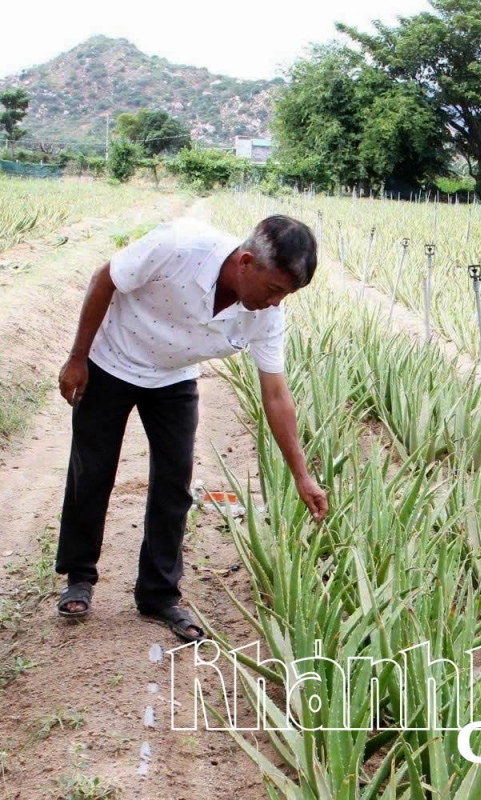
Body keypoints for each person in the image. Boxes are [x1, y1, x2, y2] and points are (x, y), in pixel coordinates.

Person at [53, 214, 328, 642]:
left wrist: (301, 475)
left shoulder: (266, 316)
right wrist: (77, 357)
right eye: (274, 290)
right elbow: (104, 278)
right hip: (112, 359)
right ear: (246, 262)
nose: (276, 303)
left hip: (173, 378)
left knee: (174, 482)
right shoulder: (180, 246)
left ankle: (159, 595)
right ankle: (80, 576)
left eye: (285, 296)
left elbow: (276, 394)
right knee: (93, 469)